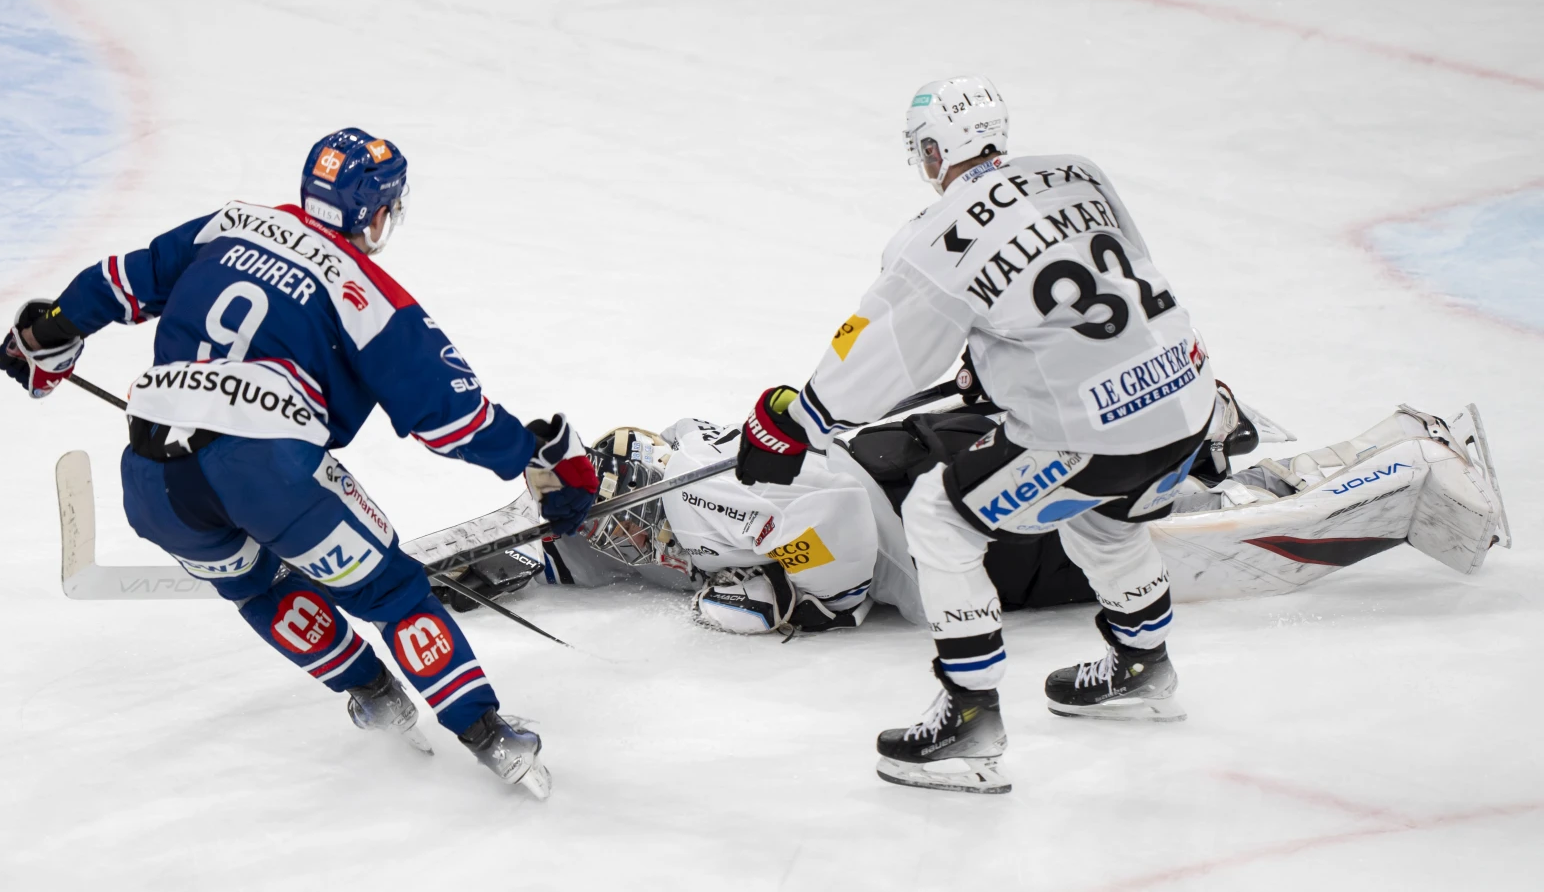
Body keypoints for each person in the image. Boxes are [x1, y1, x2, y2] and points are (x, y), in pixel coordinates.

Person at [0, 128, 598, 799]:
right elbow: (455, 421)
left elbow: (115, 284)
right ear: (377, 213)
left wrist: (47, 331)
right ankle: (490, 736)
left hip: (151, 482)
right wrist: (541, 459)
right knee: (393, 593)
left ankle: (373, 695)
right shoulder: (369, 293)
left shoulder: (229, 224)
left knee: (258, 585)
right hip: (268, 473)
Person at [730, 75, 1223, 793]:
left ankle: (969, 718)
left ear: (933, 151)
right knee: (1102, 517)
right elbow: (1117, 289)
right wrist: (1002, 367)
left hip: (1094, 431)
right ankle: (1143, 664)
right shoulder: (1080, 172)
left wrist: (793, 420)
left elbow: (884, 353)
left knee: (937, 513)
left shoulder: (934, 234)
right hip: (1188, 396)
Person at [423, 388, 1506, 640]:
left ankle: (1412, 488)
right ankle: (1390, 437)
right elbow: (542, 547)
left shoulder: (682, 494)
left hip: (927, 517)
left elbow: (834, 514)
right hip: (922, 475)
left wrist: (797, 592)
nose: (624, 540)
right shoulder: (626, 513)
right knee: (1175, 509)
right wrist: (426, 569)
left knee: (1189, 556)